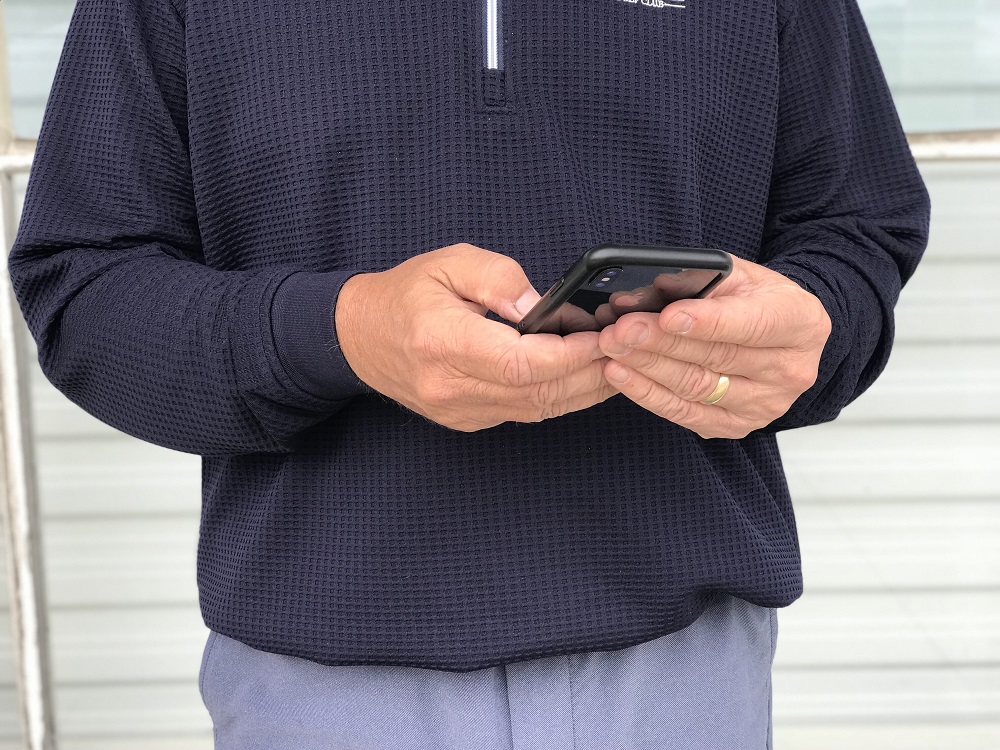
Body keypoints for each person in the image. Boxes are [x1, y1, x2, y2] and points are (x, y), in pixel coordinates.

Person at [8, 0, 929, 746]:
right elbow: (84, 287)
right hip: (318, 690)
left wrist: (811, 333)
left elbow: (856, 231)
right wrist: (341, 331)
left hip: (687, 679)